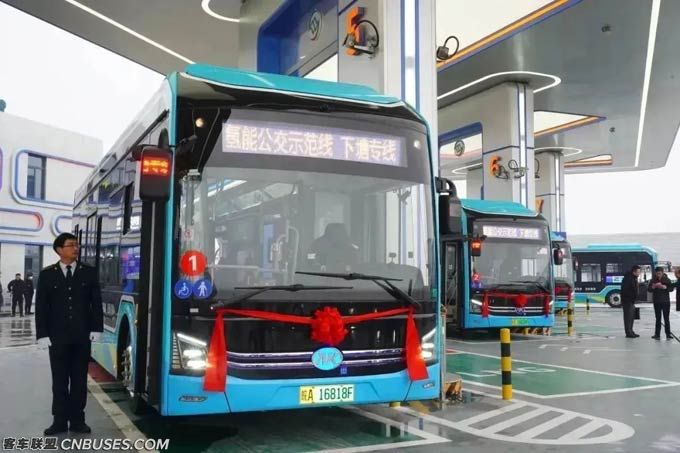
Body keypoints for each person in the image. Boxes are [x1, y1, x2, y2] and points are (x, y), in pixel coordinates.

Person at [36, 233, 103, 435]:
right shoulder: (47, 274)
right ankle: (59, 421)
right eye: (71, 245)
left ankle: (77, 420)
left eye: (77, 245)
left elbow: (96, 303)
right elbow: (41, 307)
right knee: (59, 381)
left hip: (82, 337)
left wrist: (97, 328)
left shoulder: (88, 272)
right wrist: (42, 334)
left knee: (79, 381)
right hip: (57, 338)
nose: (76, 248)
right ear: (59, 250)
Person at [647, 266, 673, 340]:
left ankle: (668, 334)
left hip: (665, 301)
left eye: (660, 273)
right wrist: (653, 287)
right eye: (657, 273)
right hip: (657, 301)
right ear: (655, 273)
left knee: (666, 318)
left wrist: (665, 287)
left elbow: (671, 289)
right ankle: (657, 334)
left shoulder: (667, 280)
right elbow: (649, 289)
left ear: (662, 273)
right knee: (658, 318)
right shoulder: (653, 280)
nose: (658, 275)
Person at [620, 265, 641, 338]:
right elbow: (625, 290)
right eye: (638, 272)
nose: (639, 273)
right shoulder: (628, 279)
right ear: (633, 272)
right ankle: (628, 332)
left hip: (631, 301)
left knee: (631, 317)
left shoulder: (633, 278)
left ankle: (631, 331)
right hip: (627, 301)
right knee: (628, 317)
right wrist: (631, 297)